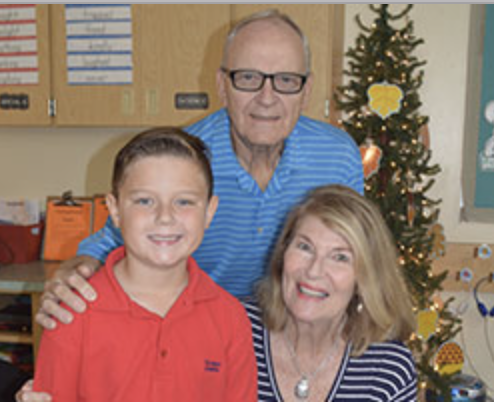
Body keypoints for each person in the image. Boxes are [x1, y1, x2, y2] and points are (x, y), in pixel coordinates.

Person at [34, 9, 364, 331]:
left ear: (306, 91)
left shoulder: (337, 156)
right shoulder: (184, 159)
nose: (267, 98)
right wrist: (79, 268)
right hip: (199, 331)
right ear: (222, 85)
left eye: (286, 81)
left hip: (297, 333)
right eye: (248, 78)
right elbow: (117, 240)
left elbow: (352, 254)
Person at [31, 127, 257, 401]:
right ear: (114, 210)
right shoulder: (72, 310)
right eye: (145, 201)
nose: (164, 217)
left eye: (184, 201)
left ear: (209, 212)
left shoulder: (230, 318)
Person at [244, 184, 417, 402]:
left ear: (364, 279)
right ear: (283, 252)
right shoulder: (232, 329)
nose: (314, 271)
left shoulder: (386, 368)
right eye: (304, 247)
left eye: (340, 257)